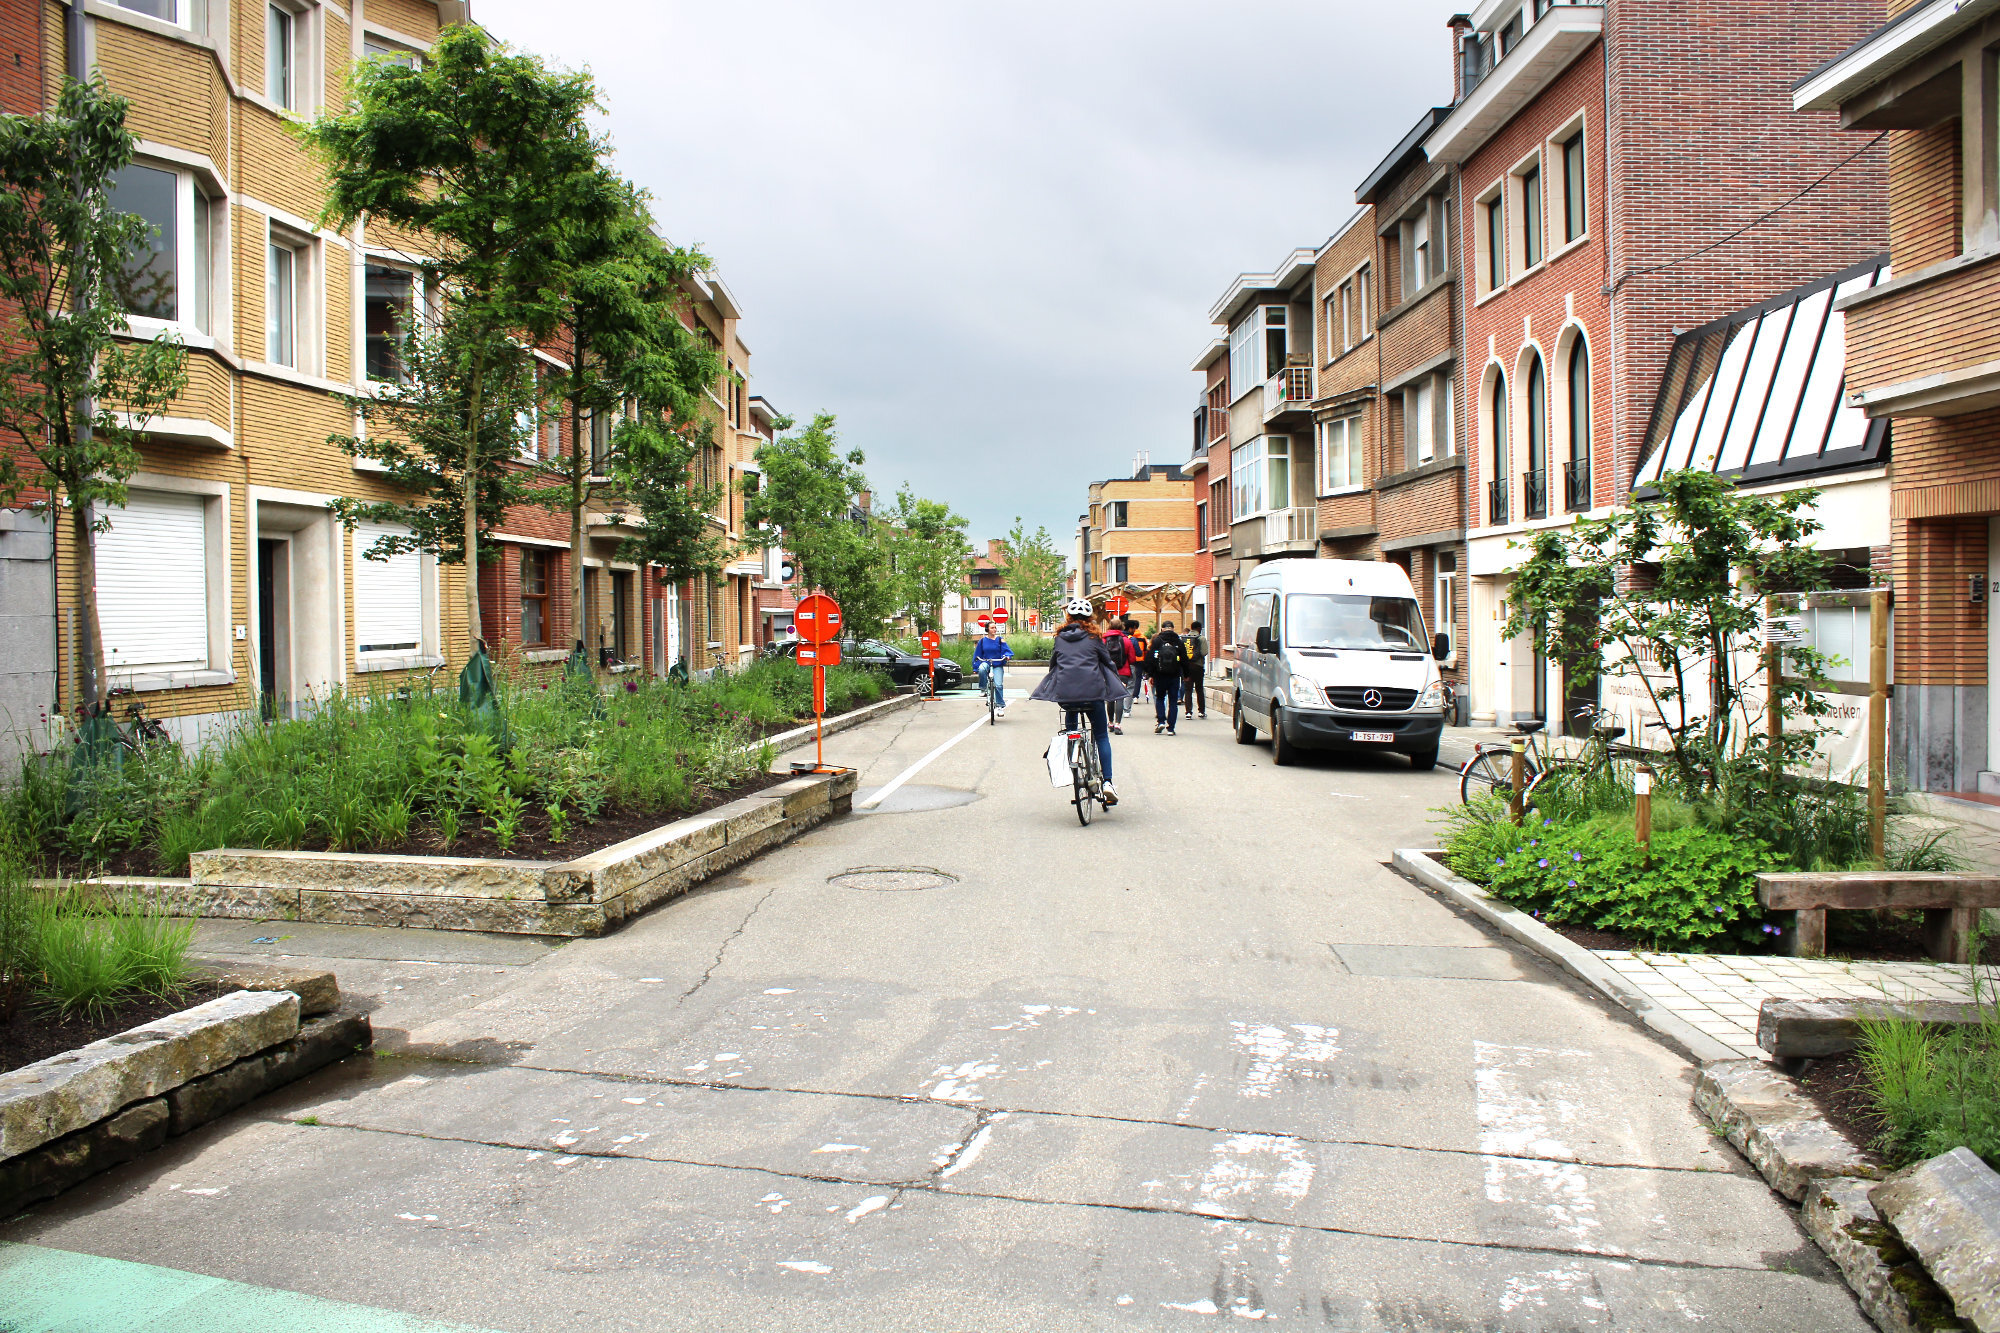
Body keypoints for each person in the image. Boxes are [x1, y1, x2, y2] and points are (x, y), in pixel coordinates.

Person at [1030, 599, 1127, 805]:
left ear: (1069, 618)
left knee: (1070, 728)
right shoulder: (1094, 637)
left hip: (1067, 696)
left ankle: (1072, 744)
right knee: (1101, 736)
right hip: (1093, 694)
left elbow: (1053, 665)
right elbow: (1108, 663)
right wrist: (1117, 679)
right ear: (1090, 618)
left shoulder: (1059, 638)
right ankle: (1108, 782)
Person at [1148, 620, 1185, 734]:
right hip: (1174, 675)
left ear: (1162, 629)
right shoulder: (1178, 641)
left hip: (1160, 675)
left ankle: (1161, 721)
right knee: (1173, 701)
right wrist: (1186, 674)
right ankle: (1171, 728)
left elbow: (1151, 658)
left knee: (1160, 698)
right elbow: (1184, 659)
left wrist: (1151, 674)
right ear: (1173, 629)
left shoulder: (1157, 641)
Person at [1102, 616, 1134, 735]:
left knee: (1110, 697)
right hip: (1123, 672)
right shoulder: (1127, 640)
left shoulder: (1103, 640)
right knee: (1120, 697)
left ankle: (1110, 722)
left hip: (1108, 672)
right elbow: (1132, 658)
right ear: (1121, 627)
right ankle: (1118, 724)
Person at [973, 625, 1013, 716]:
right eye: (992, 628)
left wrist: (1007, 656)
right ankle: (983, 689)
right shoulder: (982, 641)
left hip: (997, 663)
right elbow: (977, 655)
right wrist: (975, 667)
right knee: (982, 669)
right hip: (986, 662)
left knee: (998, 685)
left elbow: (1006, 650)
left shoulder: (1000, 640)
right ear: (987, 629)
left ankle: (1000, 706)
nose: (994, 629)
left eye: (995, 627)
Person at [1182, 620, 1208, 719]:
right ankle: (1201, 711)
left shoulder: (1184, 638)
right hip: (1198, 666)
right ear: (1199, 628)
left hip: (1186, 667)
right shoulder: (1201, 638)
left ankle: (1188, 712)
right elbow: (1204, 652)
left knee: (1188, 689)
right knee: (1199, 688)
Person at [1126, 618, 1150, 702]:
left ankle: (1127, 695)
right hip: (1140, 660)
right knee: (1138, 678)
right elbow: (1146, 650)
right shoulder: (1143, 637)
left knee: (1129, 678)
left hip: (1129, 660)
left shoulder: (1128, 637)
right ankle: (1135, 696)